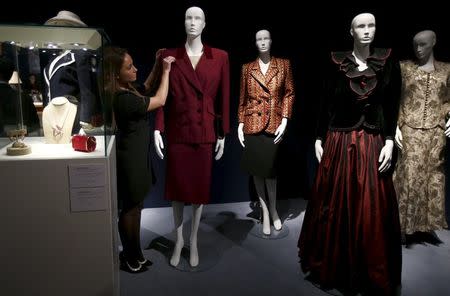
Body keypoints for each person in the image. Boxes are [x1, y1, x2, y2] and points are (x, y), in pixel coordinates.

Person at [298, 13, 402, 295]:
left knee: (372, 207)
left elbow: (393, 104)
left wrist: (390, 141)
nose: (367, 31)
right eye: (361, 26)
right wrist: (319, 136)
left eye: (371, 25)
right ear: (351, 31)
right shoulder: (335, 62)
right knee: (336, 202)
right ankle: (337, 266)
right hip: (340, 140)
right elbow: (325, 100)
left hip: (372, 141)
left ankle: (370, 268)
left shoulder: (388, 60)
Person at [153, 6, 230, 268]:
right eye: (188, 17)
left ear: (205, 23)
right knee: (177, 192)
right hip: (179, 131)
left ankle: (193, 240)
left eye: (198, 18)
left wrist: (223, 132)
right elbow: (162, 97)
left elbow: (224, 98)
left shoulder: (219, 57)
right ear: (183, 22)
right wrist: (157, 128)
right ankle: (178, 240)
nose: (193, 22)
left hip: (205, 131)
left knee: (198, 192)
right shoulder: (169, 56)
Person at [104, 46, 175, 273]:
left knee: (137, 207)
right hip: (130, 160)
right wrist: (166, 70)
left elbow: (146, 86)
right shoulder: (123, 99)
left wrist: (155, 63)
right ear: (116, 73)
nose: (135, 69)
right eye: (129, 67)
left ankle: (135, 253)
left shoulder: (127, 90)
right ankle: (129, 256)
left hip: (136, 157)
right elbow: (160, 99)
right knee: (130, 209)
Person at [393, 30, 450, 243]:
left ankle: (423, 226)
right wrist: (394, 127)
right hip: (409, 130)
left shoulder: (446, 70)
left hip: (436, 132)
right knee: (407, 175)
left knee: (431, 177)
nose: (418, 49)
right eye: (415, 44)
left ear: (434, 42)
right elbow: (396, 99)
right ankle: (400, 226)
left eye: (423, 44)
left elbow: (448, 98)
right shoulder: (405, 68)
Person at [237, 29, 295, 235]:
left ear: (271, 41)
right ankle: (265, 211)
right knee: (257, 171)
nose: (262, 42)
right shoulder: (247, 68)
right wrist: (240, 123)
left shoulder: (283, 65)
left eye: (265, 38)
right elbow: (242, 99)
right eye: (258, 39)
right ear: (255, 43)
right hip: (252, 123)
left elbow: (289, 93)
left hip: (274, 123)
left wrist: (285, 120)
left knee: (270, 172)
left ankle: (273, 209)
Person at [43, 10, 103, 133]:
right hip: (54, 119)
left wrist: (86, 120)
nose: (58, 32)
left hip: (72, 118)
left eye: (63, 28)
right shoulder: (54, 59)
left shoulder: (80, 54)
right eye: (56, 28)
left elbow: (87, 90)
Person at [0, 57, 39, 136]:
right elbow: (35, 125)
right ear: (11, 75)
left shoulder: (23, 96)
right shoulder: (23, 97)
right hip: (18, 141)